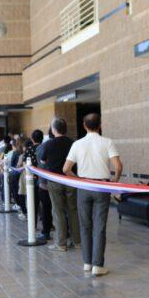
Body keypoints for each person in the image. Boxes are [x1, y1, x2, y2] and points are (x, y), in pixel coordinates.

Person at [63, 113, 122, 276]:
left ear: (84, 125)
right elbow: (118, 166)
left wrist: (78, 180)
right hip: (101, 186)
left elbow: (66, 169)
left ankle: (87, 263)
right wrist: (114, 182)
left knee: (85, 225)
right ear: (100, 125)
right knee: (100, 226)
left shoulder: (77, 144)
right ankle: (98, 265)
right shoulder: (107, 142)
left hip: (83, 187)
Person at [38, 117, 80, 252]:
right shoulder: (73, 143)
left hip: (55, 181)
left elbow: (43, 160)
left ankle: (61, 244)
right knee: (73, 210)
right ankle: (77, 241)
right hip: (71, 180)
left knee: (58, 211)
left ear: (53, 129)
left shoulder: (48, 144)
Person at [35, 128, 52, 241]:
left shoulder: (41, 148)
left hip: (44, 182)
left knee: (46, 208)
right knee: (66, 209)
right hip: (66, 181)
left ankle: (46, 231)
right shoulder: (71, 143)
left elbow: (41, 164)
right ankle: (68, 233)